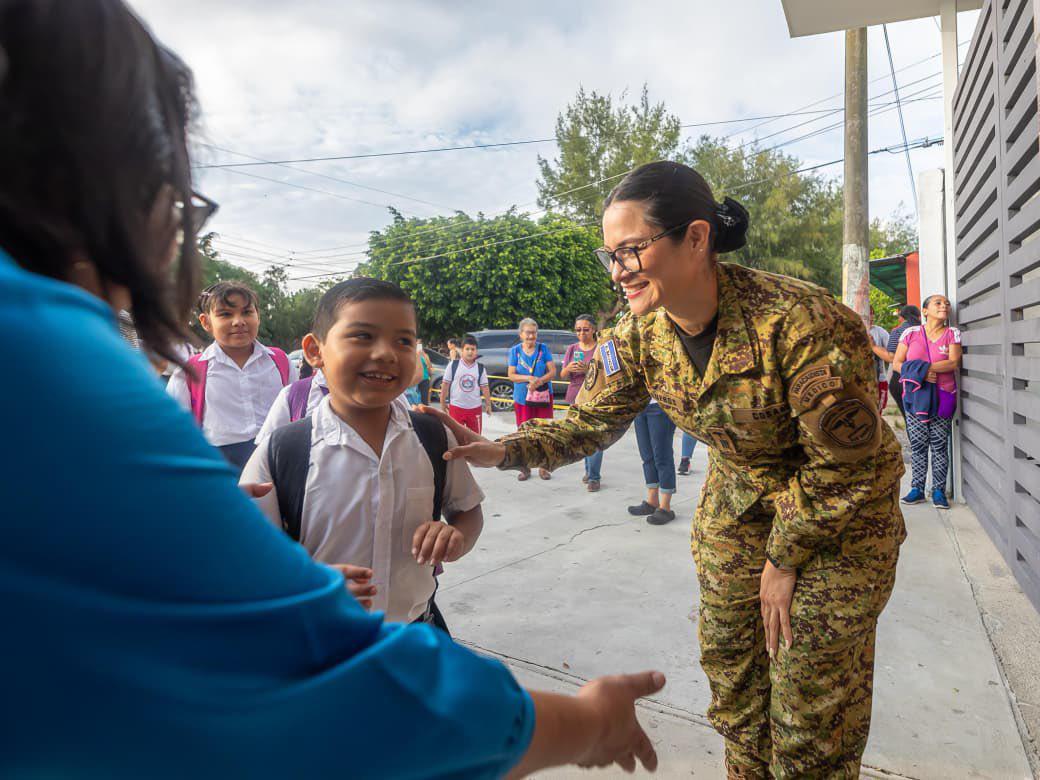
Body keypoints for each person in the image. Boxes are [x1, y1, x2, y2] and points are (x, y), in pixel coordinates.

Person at [0, 3, 665, 775]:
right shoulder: (65, 371)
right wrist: (586, 724)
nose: (387, 356)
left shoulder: (428, 432)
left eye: (406, 342)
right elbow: (320, 668)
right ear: (110, 178)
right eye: (176, 200)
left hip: (415, 618)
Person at [427, 161, 906, 778]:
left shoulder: (798, 320)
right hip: (737, 511)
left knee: (809, 714)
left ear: (697, 238)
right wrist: (503, 450)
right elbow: (590, 421)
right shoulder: (637, 332)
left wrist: (785, 557)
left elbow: (850, 468)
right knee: (736, 688)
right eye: (611, 255)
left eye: (631, 250)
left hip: (836, 524)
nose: (619, 271)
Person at [242, 279, 484, 630]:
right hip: (321, 641)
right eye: (363, 336)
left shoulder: (433, 438)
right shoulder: (283, 450)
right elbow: (248, 556)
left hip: (416, 631)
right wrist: (299, 582)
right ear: (315, 351)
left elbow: (468, 511)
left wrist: (457, 537)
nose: (387, 353)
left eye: (404, 341)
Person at [166, 281, 296, 473]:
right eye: (225, 314)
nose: (238, 321)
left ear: (258, 316)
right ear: (206, 322)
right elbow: (175, 433)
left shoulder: (280, 361)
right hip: (222, 467)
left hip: (279, 459)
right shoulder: (189, 372)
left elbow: (298, 409)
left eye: (247, 312)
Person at [891, 294, 962, 509]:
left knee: (940, 445)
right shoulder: (911, 333)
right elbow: (897, 363)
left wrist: (924, 369)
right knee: (919, 444)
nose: (944, 306)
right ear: (924, 311)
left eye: (946, 304)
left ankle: (938, 491)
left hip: (943, 396)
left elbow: (953, 362)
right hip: (915, 398)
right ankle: (917, 489)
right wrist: (921, 375)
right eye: (938, 303)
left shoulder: (952, 334)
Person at [561, 314, 605, 491]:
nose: (581, 333)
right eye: (578, 330)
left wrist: (589, 369)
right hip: (575, 398)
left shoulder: (600, 348)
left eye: (585, 330)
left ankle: (594, 477)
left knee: (595, 437)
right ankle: (588, 471)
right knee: (580, 437)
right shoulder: (572, 349)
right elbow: (563, 375)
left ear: (593, 330)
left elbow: (607, 374)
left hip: (595, 398)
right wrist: (569, 368)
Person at [508, 317, 555, 481]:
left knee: (543, 431)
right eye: (528, 333)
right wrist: (529, 378)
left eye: (534, 333)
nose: (531, 336)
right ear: (521, 334)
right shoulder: (514, 351)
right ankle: (525, 468)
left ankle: (543, 467)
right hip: (522, 398)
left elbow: (552, 371)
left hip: (543, 396)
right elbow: (511, 375)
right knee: (524, 432)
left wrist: (539, 381)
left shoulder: (543, 349)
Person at [628, 401, 678, 524]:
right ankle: (652, 502)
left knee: (662, 456)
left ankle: (665, 507)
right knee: (647, 456)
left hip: (661, 404)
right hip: (640, 404)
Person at [441, 335, 493, 434]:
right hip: (456, 407)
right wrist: (442, 403)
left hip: (475, 409)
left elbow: (485, 387)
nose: (470, 352)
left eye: (473, 349)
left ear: (476, 351)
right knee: (456, 437)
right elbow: (445, 385)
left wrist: (488, 405)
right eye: (467, 349)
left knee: (475, 439)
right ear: (462, 350)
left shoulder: (480, 368)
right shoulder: (453, 365)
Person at [877, 305, 921, 418]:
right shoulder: (925, 330)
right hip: (922, 377)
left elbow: (891, 357)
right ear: (919, 317)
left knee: (910, 419)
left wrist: (873, 346)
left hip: (901, 379)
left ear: (901, 318)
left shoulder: (897, 331)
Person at [867, 315, 891, 410]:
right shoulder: (851, 329)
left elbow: (892, 352)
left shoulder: (879, 331)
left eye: (872, 314)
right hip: (858, 381)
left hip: (879, 379)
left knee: (878, 411)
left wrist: (875, 348)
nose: (870, 317)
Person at [416, 338, 433, 404]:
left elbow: (429, 366)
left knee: (424, 400)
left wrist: (424, 356)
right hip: (414, 380)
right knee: (414, 400)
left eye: (420, 344)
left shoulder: (425, 355)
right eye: (417, 344)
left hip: (424, 379)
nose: (418, 345)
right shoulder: (412, 355)